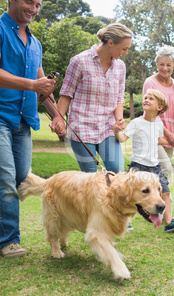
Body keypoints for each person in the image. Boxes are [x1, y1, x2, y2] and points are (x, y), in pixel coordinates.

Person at [0, 0, 65, 258]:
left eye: (38, 4)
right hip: (1, 117)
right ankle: (9, 241)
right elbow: (32, 83)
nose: (35, 9)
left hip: (24, 121)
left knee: (18, 180)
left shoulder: (35, 43)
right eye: (30, 2)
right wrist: (32, 85)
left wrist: (57, 115)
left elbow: (41, 87)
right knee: (5, 181)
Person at [51, 23, 133, 173]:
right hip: (82, 127)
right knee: (90, 177)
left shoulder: (120, 67)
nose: (125, 53)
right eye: (124, 48)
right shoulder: (80, 61)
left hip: (107, 128)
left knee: (117, 172)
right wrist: (58, 118)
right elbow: (66, 94)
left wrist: (119, 120)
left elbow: (119, 98)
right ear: (110, 43)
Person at [113, 89, 174, 233]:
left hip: (155, 166)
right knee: (129, 195)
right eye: (145, 98)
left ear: (159, 107)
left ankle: (169, 223)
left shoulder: (159, 123)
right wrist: (116, 131)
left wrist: (170, 141)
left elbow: (157, 139)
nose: (146, 100)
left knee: (165, 192)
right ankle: (125, 221)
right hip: (139, 166)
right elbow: (123, 138)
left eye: (151, 99)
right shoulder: (136, 122)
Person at [143, 46, 174, 215]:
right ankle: (166, 212)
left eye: (169, 65)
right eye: (161, 64)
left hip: (172, 135)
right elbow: (151, 111)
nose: (165, 68)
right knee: (165, 170)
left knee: (161, 175)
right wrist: (168, 133)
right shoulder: (150, 83)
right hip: (154, 134)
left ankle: (153, 206)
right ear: (156, 64)